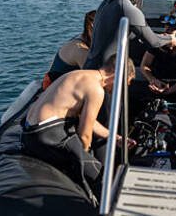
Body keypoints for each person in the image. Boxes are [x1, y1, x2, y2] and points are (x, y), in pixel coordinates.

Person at [22, 55, 136, 203]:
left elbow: (89, 121)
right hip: (48, 134)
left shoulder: (79, 75)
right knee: (100, 175)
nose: (122, 89)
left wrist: (115, 137)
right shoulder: (96, 89)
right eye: (125, 83)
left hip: (29, 133)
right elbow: (85, 134)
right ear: (117, 75)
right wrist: (84, 158)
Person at [84, 0, 176, 70]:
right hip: (105, 71)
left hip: (90, 66)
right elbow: (153, 41)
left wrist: (160, 36)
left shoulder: (108, 1)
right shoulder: (128, 8)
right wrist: (170, 38)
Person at [138, 13, 176, 103]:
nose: (166, 34)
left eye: (171, 30)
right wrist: (153, 80)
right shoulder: (157, 43)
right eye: (166, 28)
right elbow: (144, 65)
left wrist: (166, 92)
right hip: (157, 82)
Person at [42, 10, 96, 89]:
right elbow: (94, 80)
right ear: (91, 27)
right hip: (55, 91)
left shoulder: (82, 38)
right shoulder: (81, 49)